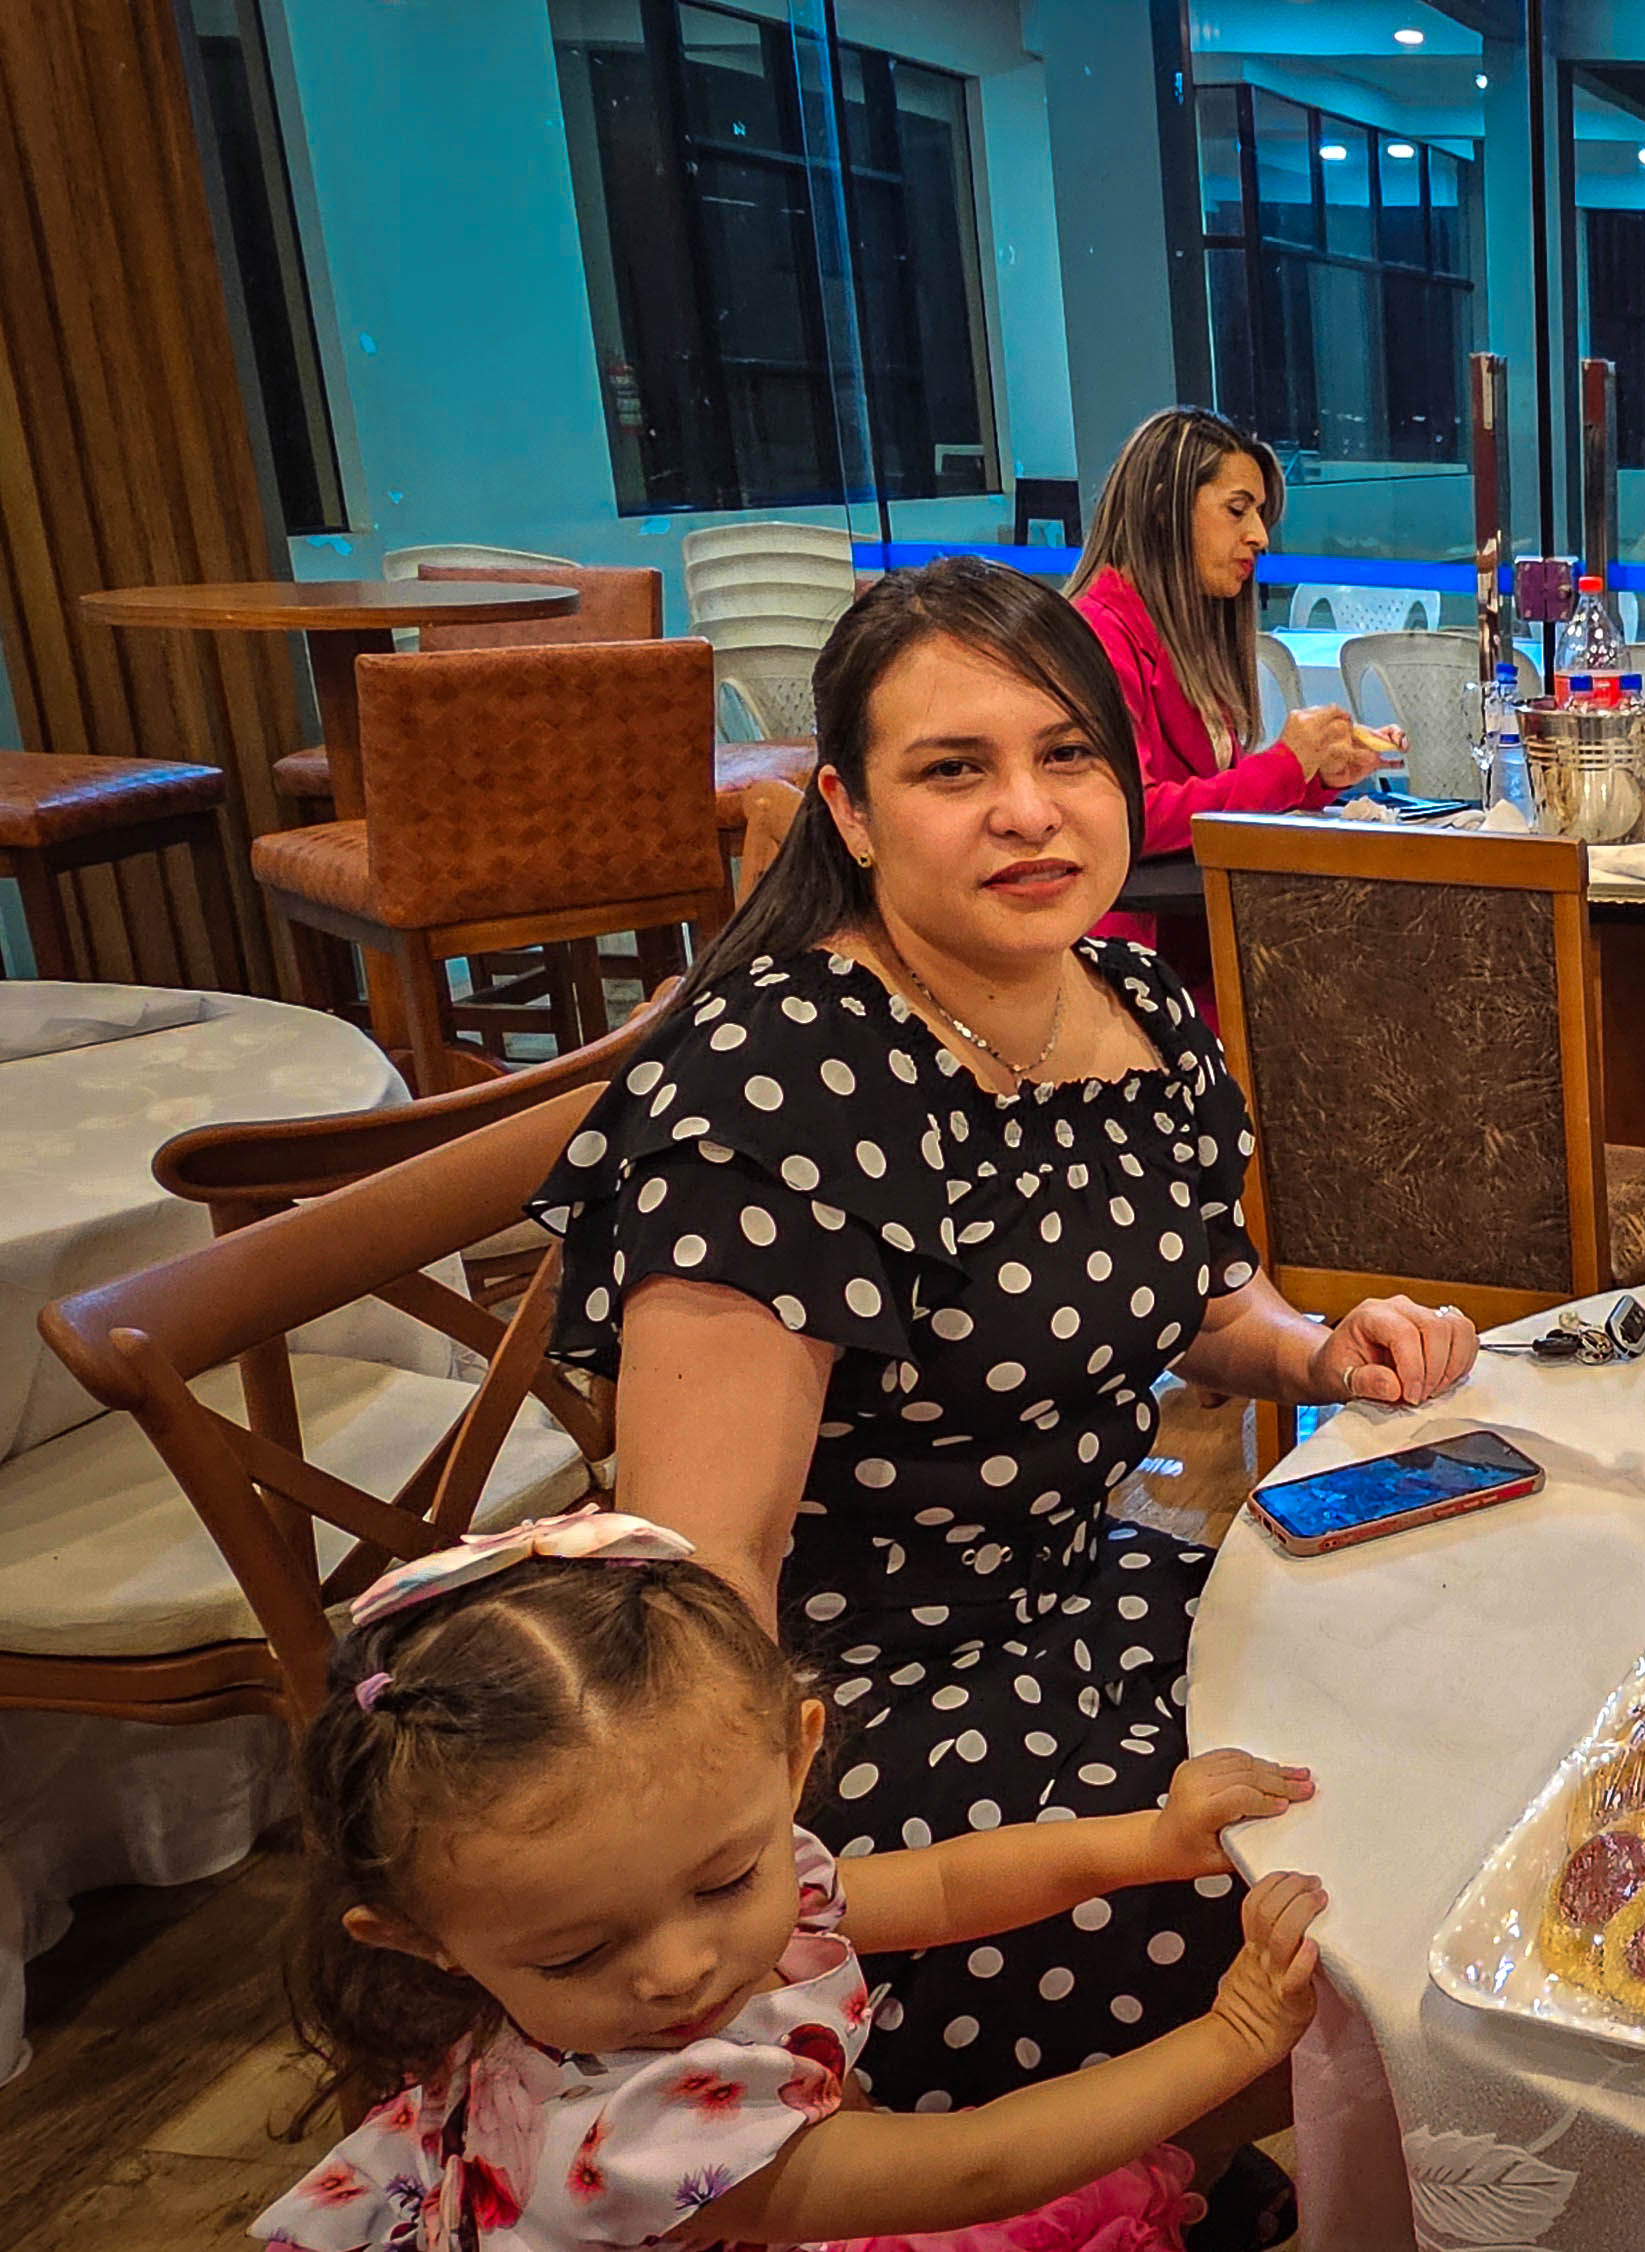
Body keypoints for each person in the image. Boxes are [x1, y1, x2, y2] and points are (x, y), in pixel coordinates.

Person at [527, 557, 1474, 2236]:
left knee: (1441, 1711)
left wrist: (1317, 1349)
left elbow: (1195, 1287)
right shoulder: (785, 1075)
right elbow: (702, 1582)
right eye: (953, 770)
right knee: (1367, 1894)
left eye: (1070, 755)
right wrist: (737, 1916)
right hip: (841, 1725)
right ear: (851, 806)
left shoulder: (1132, 1002)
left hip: (1080, 1604)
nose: (1029, 812)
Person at [259, 1512, 1327, 2252]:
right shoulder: (632, 2135)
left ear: (795, 1756)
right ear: (414, 1936)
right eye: (574, 1953)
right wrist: (1229, 2034)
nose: (679, 1968)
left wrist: (1149, 1838)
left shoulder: (702, 1884)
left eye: (728, 1881)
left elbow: (949, 1887)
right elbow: (976, 2168)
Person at [1064, 408, 1397, 961]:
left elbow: (1216, 793)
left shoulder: (1186, 632)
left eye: (1260, 515)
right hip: (1141, 965)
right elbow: (1132, 817)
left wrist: (1314, 775)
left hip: (1208, 947)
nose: (1260, 537)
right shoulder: (1096, 636)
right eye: (1237, 511)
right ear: (1163, 508)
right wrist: (1286, 766)